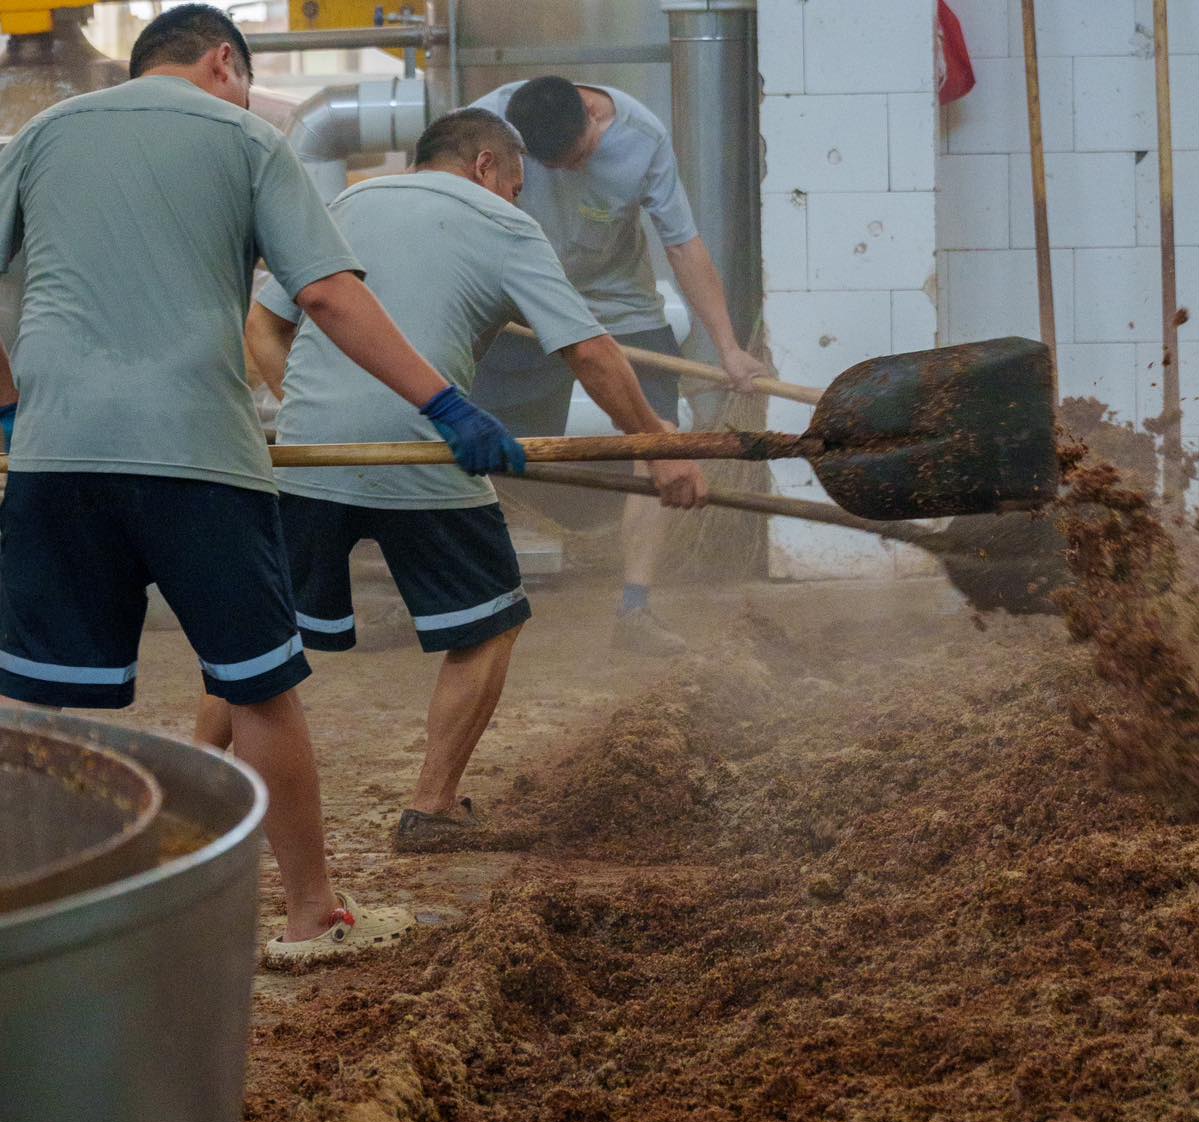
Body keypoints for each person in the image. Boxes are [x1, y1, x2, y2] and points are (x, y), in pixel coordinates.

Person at [0, 5, 525, 961]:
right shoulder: (248, 135)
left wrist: (9, 410)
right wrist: (445, 404)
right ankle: (310, 913)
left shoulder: (39, 136)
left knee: (41, 703)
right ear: (223, 63)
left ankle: (43, 919)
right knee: (259, 689)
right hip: (198, 456)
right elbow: (325, 291)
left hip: (54, 455)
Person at [196, 107, 706, 853]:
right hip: (426, 449)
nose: (516, 200)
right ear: (485, 167)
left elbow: (262, 327)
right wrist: (659, 443)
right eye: (516, 185)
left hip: (310, 454)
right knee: (492, 620)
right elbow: (591, 352)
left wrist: (313, 407)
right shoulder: (505, 227)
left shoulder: (349, 201)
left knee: (255, 633)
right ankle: (432, 807)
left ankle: (191, 789)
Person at [470, 75, 770, 657]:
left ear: (593, 115)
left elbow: (682, 244)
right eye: (548, 168)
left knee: (661, 443)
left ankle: (635, 607)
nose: (566, 174)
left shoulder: (642, 138)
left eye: (578, 159)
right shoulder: (480, 125)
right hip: (516, 306)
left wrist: (728, 348)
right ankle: (471, 598)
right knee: (472, 442)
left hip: (618, 306)